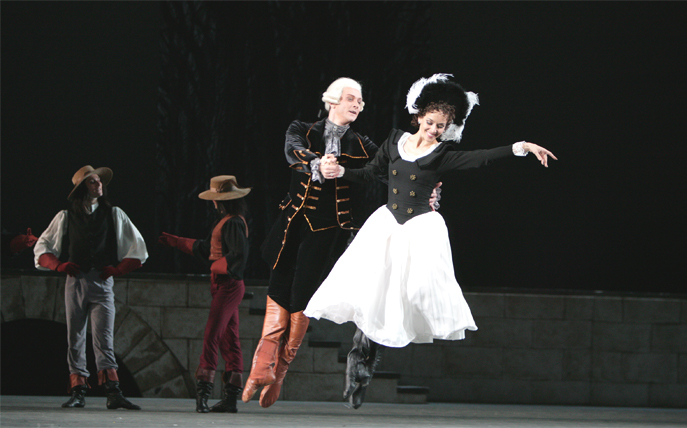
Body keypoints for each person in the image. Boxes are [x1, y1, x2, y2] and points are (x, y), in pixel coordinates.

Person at [304, 73, 557, 408]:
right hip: (387, 225)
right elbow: (370, 174)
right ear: (419, 116)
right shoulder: (394, 141)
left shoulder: (442, 154)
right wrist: (340, 173)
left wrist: (521, 147)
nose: (435, 130)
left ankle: (369, 358)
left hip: (420, 228)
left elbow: (480, 157)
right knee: (372, 291)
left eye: (442, 126)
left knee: (409, 292)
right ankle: (360, 363)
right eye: (431, 123)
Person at [245, 77, 440, 408]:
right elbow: (293, 149)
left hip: (328, 231)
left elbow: (391, 167)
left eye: (361, 101)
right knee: (277, 288)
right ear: (332, 100)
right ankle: (259, 370)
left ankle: (279, 372)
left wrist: (423, 185)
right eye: (351, 98)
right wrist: (316, 163)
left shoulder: (361, 145)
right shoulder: (303, 130)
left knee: (300, 298)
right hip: (292, 223)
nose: (357, 104)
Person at [34, 165, 147, 410]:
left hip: (102, 281)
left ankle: (113, 391)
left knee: (104, 337)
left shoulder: (112, 213)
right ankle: (78, 390)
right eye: (93, 182)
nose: (99, 185)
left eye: (99, 181)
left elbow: (138, 247)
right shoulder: (66, 215)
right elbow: (43, 246)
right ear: (82, 187)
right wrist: (58, 265)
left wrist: (118, 269)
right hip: (76, 281)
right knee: (75, 336)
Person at [159, 175, 251, 414]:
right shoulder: (227, 221)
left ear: (219, 201)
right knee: (229, 340)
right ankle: (230, 399)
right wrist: (178, 242)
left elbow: (238, 254)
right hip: (224, 284)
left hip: (228, 285)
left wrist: (218, 267)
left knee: (212, 336)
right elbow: (206, 248)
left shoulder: (232, 223)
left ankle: (203, 394)